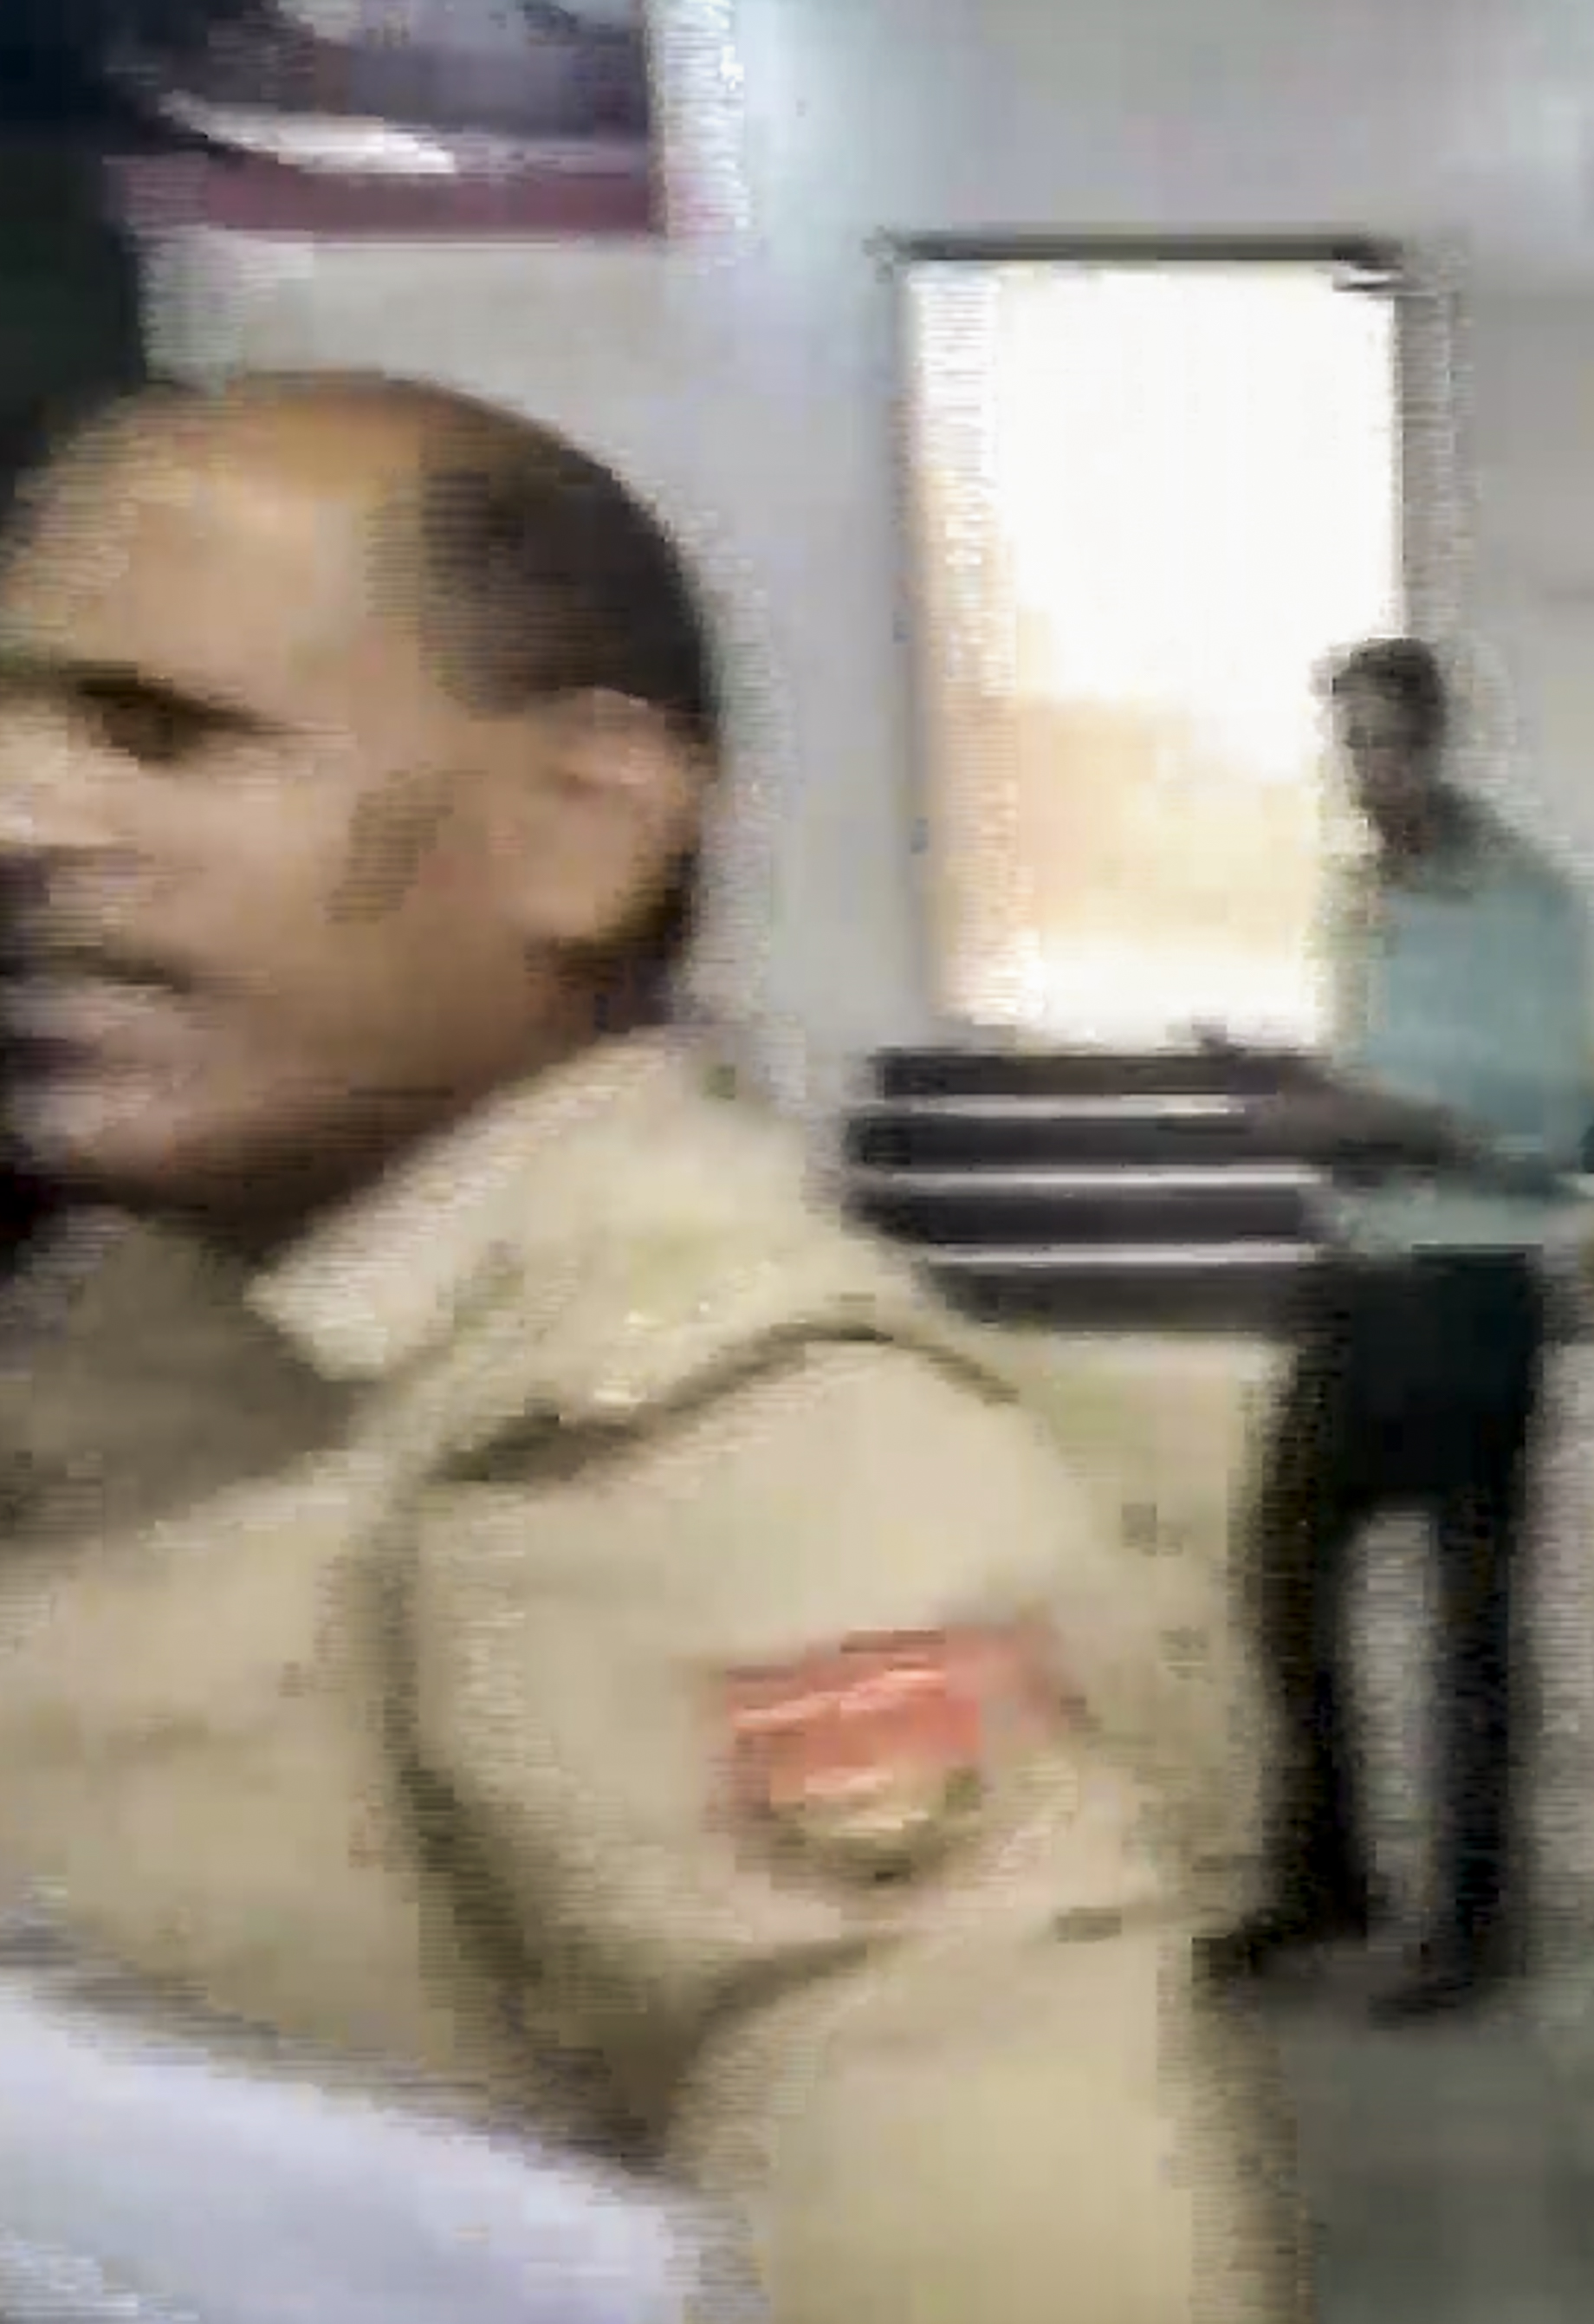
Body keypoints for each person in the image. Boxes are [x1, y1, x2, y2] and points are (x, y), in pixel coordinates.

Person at [0, 373, 1295, 2321]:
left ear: (581, 829)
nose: (22, 819)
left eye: (164, 735)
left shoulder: (719, 1459)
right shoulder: (169, 1312)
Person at [1215, 636, 1594, 2014]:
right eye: (1352, 750)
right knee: (1280, 1566)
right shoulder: (1359, 897)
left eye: (1387, 744)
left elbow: (1553, 1134)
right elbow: (1377, 1079)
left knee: (1470, 1621)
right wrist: (1303, 1093)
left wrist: (1387, 1123)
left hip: (1474, 1294)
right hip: (1358, 1281)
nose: (1368, 776)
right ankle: (1329, 1876)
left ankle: (1474, 1924)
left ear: (1438, 741)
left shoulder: (1532, 909)